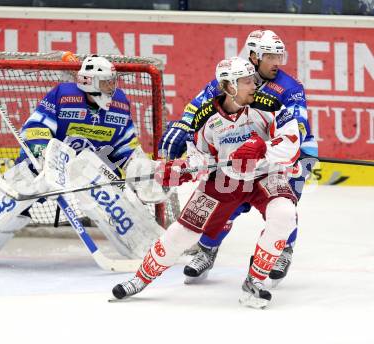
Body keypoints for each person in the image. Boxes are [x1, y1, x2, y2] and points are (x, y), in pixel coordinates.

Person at [112, 56, 301, 308]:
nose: (254, 85)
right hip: (223, 182)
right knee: (182, 234)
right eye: (247, 81)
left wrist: (262, 148)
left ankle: (254, 282)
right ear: (229, 86)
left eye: (253, 79)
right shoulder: (205, 119)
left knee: (285, 214)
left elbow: (291, 142)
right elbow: (200, 160)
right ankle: (140, 278)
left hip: (264, 175)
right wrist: (182, 170)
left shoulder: (269, 106)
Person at [0, 54, 142, 268]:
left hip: (87, 170)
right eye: (106, 82)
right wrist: (44, 155)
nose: (112, 87)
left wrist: (136, 164)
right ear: (90, 83)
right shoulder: (63, 96)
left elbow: (125, 145)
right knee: (18, 190)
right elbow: (36, 128)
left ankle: (141, 243)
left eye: (112, 81)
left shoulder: (120, 104)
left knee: (114, 193)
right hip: (47, 164)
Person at [158, 29, 317, 286]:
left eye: (280, 55)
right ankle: (207, 249)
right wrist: (184, 125)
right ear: (254, 56)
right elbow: (198, 106)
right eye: (270, 56)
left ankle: (282, 250)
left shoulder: (290, 88)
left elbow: (296, 128)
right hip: (242, 151)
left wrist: (279, 153)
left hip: (291, 152)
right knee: (225, 199)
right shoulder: (233, 76)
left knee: (283, 204)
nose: (277, 62)